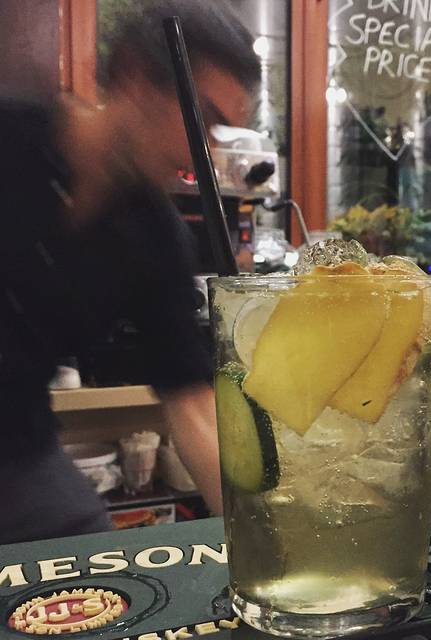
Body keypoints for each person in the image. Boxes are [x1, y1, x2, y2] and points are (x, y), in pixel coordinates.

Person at [0, 1, 261, 544]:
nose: (206, 148)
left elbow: (192, 403)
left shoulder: (155, 234)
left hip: (19, 451)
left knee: (98, 559)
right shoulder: (11, 136)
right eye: (203, 117)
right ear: (135, 79)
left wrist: (263, 541)